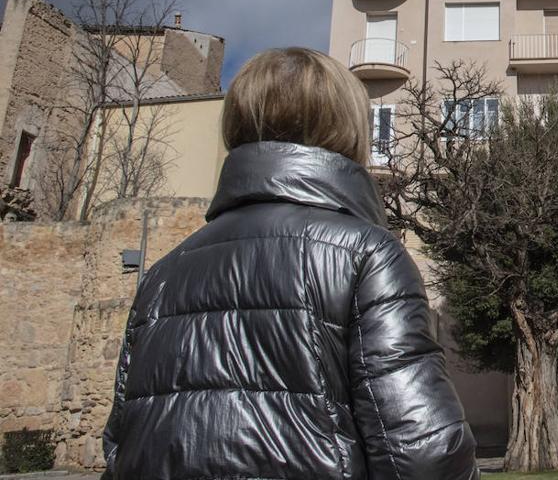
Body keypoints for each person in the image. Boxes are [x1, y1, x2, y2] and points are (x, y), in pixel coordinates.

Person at [100, 47, 479, 479]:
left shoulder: (161, 276)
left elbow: (121, 445)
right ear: (349, 127)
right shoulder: (366, 254)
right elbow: (423, 452)